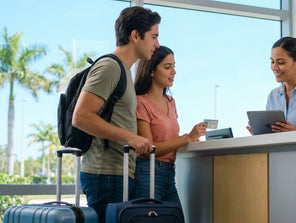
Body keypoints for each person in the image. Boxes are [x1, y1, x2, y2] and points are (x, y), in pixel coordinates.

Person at [71, 6, 161, 223]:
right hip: (106, 176)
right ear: (135, 36)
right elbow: (81, 117)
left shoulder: (124, 71)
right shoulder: (110, 67)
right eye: (154, 37)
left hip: (116, 175)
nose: (157, 44)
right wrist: (131, 138)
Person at [134, 45, 207, 207]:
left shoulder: (170, 102)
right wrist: (187, 137)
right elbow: (148, 150)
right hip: (148, 173)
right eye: (168, 67)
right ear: (151, 70)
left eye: (174, 67)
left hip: (169, 172)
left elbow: (170, 141)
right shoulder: (141, 103)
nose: (174, 72)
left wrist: (190, 139)